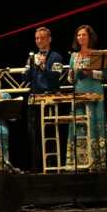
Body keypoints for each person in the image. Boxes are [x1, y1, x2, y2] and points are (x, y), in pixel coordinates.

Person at [65, 25, 105, 171]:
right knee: (80, 124)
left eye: (84, 35)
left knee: (94, 123)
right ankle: (81, 162)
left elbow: (105, 75)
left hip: (95, 92)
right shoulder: (73, 56)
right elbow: (70, 79)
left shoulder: (98, 54)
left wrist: (91, 73)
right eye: (79, 35)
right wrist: (72, 75)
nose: (81, 37)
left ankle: (97, 161)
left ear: (90, 37)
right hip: (79, 93)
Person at [25, 27, 65, 172]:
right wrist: (30, 66)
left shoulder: (56, 57)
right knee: (34, 132)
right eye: (36, 38)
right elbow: (25, 78)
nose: (39, 41)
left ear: (49, 39)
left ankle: (53, 165)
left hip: (50, 98)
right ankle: (36, 166)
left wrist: (43, 67)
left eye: (42, 38)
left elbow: (56, 77)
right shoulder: (32, 57)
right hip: (35, 97)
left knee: (50, 131)